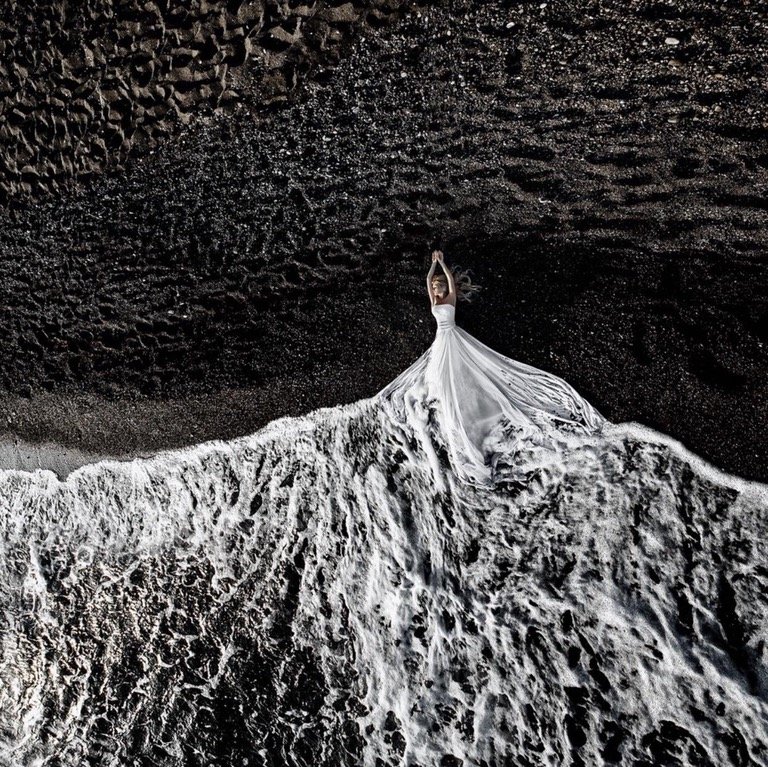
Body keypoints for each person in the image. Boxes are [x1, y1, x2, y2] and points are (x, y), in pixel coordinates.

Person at [378, 249, 605, 487]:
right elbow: (426, 281)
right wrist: (432, 266)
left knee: (465, 372)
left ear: (445, 287)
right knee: (443, 379)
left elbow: (450, 284)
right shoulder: (435, 300)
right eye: (434, 288)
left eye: (438, 286)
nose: (435, 289)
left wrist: (442, 265)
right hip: (441, 340)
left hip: (453, 337)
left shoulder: (450, 298)